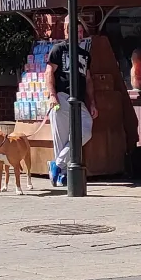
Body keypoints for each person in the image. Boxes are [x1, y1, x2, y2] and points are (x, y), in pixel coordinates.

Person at [45, 19, 97, 188]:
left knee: (86, 130)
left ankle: (57, 165)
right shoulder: (58, 49)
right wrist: (52, 95)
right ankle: (62, 176)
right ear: (67, 32)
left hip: (79, 101)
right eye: (76, 31)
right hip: (61, 97)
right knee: (61, 139)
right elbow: (49, 73)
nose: (79, 35)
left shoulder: (85, 55)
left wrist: (92, 103)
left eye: (81, 32)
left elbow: (88, 80)